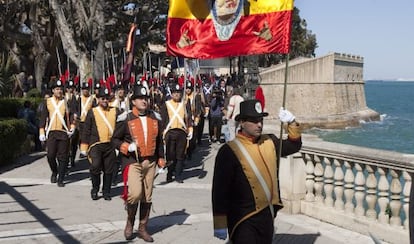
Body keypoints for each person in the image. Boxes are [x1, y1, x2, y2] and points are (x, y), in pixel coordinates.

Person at [212, 99, 302, 243]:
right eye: (254, 121)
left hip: (267, 215)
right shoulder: (228, 151)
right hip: (242, 219)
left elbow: (293, 146)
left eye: (260, 120)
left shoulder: (270, 141)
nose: (259, 124)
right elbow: (220, 190)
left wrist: (291, 123)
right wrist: (220, 223)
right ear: (241, 122)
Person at [112, 84, 165, 241]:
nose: (144, 101)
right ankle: (130, 221)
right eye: (140, 98)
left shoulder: (155, 117)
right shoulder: (125, 118)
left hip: (150, 162)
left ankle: (143, 227)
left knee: (147, 197)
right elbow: (114, 139)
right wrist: (127, 147)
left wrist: (161, 157)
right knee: (135, 194)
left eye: (146, 98)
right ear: (133, 101)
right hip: (133, 161)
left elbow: (159, 140)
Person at [80, 87, 119, 200]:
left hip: (110, 144)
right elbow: (86, 130)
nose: (105, 101)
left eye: (107, 98)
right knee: (95, 166)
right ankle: (95, 189)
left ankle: (106, 191)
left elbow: (121, 127)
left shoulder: (115, 111)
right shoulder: (92, 112)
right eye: (102, 98)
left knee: (109, 169)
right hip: (95, 144)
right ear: (97, 99)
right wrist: (84, 146)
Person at [38, 79, 76, 187]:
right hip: (51, 132)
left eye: (60, 89)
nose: (59, 91)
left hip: (63, 132)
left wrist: (72, 127)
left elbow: (73, 116)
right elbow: (43, 117)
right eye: (57, 89)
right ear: (53, 90)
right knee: (50, 155)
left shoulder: (67, 101)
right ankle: (54, 171)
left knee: (63, 157)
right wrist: (41, 131)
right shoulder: (48, 101)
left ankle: (61, 178)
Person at [160, 83, 193, 183]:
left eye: (178, 93)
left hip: (182, 132)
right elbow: (163, 119)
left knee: (180, 155)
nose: (176, 95)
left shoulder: (185, 104)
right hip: (170, 132)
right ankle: (169, 174)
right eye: (175, 93)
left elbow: (188, 118)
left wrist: (190, 129)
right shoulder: (166, 104)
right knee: (170, 155)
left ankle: (178, 175)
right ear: (171, 94)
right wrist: (162, 133)